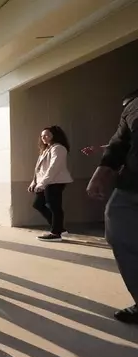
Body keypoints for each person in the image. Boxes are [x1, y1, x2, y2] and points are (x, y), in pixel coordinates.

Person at [87, 88, 138, 324]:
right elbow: (119, 143)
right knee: (118, 229)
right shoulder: (132, 105)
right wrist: (100, 173)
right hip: (131, 184)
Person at [29, 125, 73, 241]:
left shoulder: (58, 148)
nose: (44, 137)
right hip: (45, 181)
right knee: (38, 204)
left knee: (54, 207)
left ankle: (56, 233)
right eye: (42, 135)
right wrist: (34, 182)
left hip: (55, 181)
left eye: (47, 135)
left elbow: (54, 168)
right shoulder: (46, 149)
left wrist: (42, 184)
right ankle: (59, 228)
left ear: (54, 136)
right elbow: (38, 168)